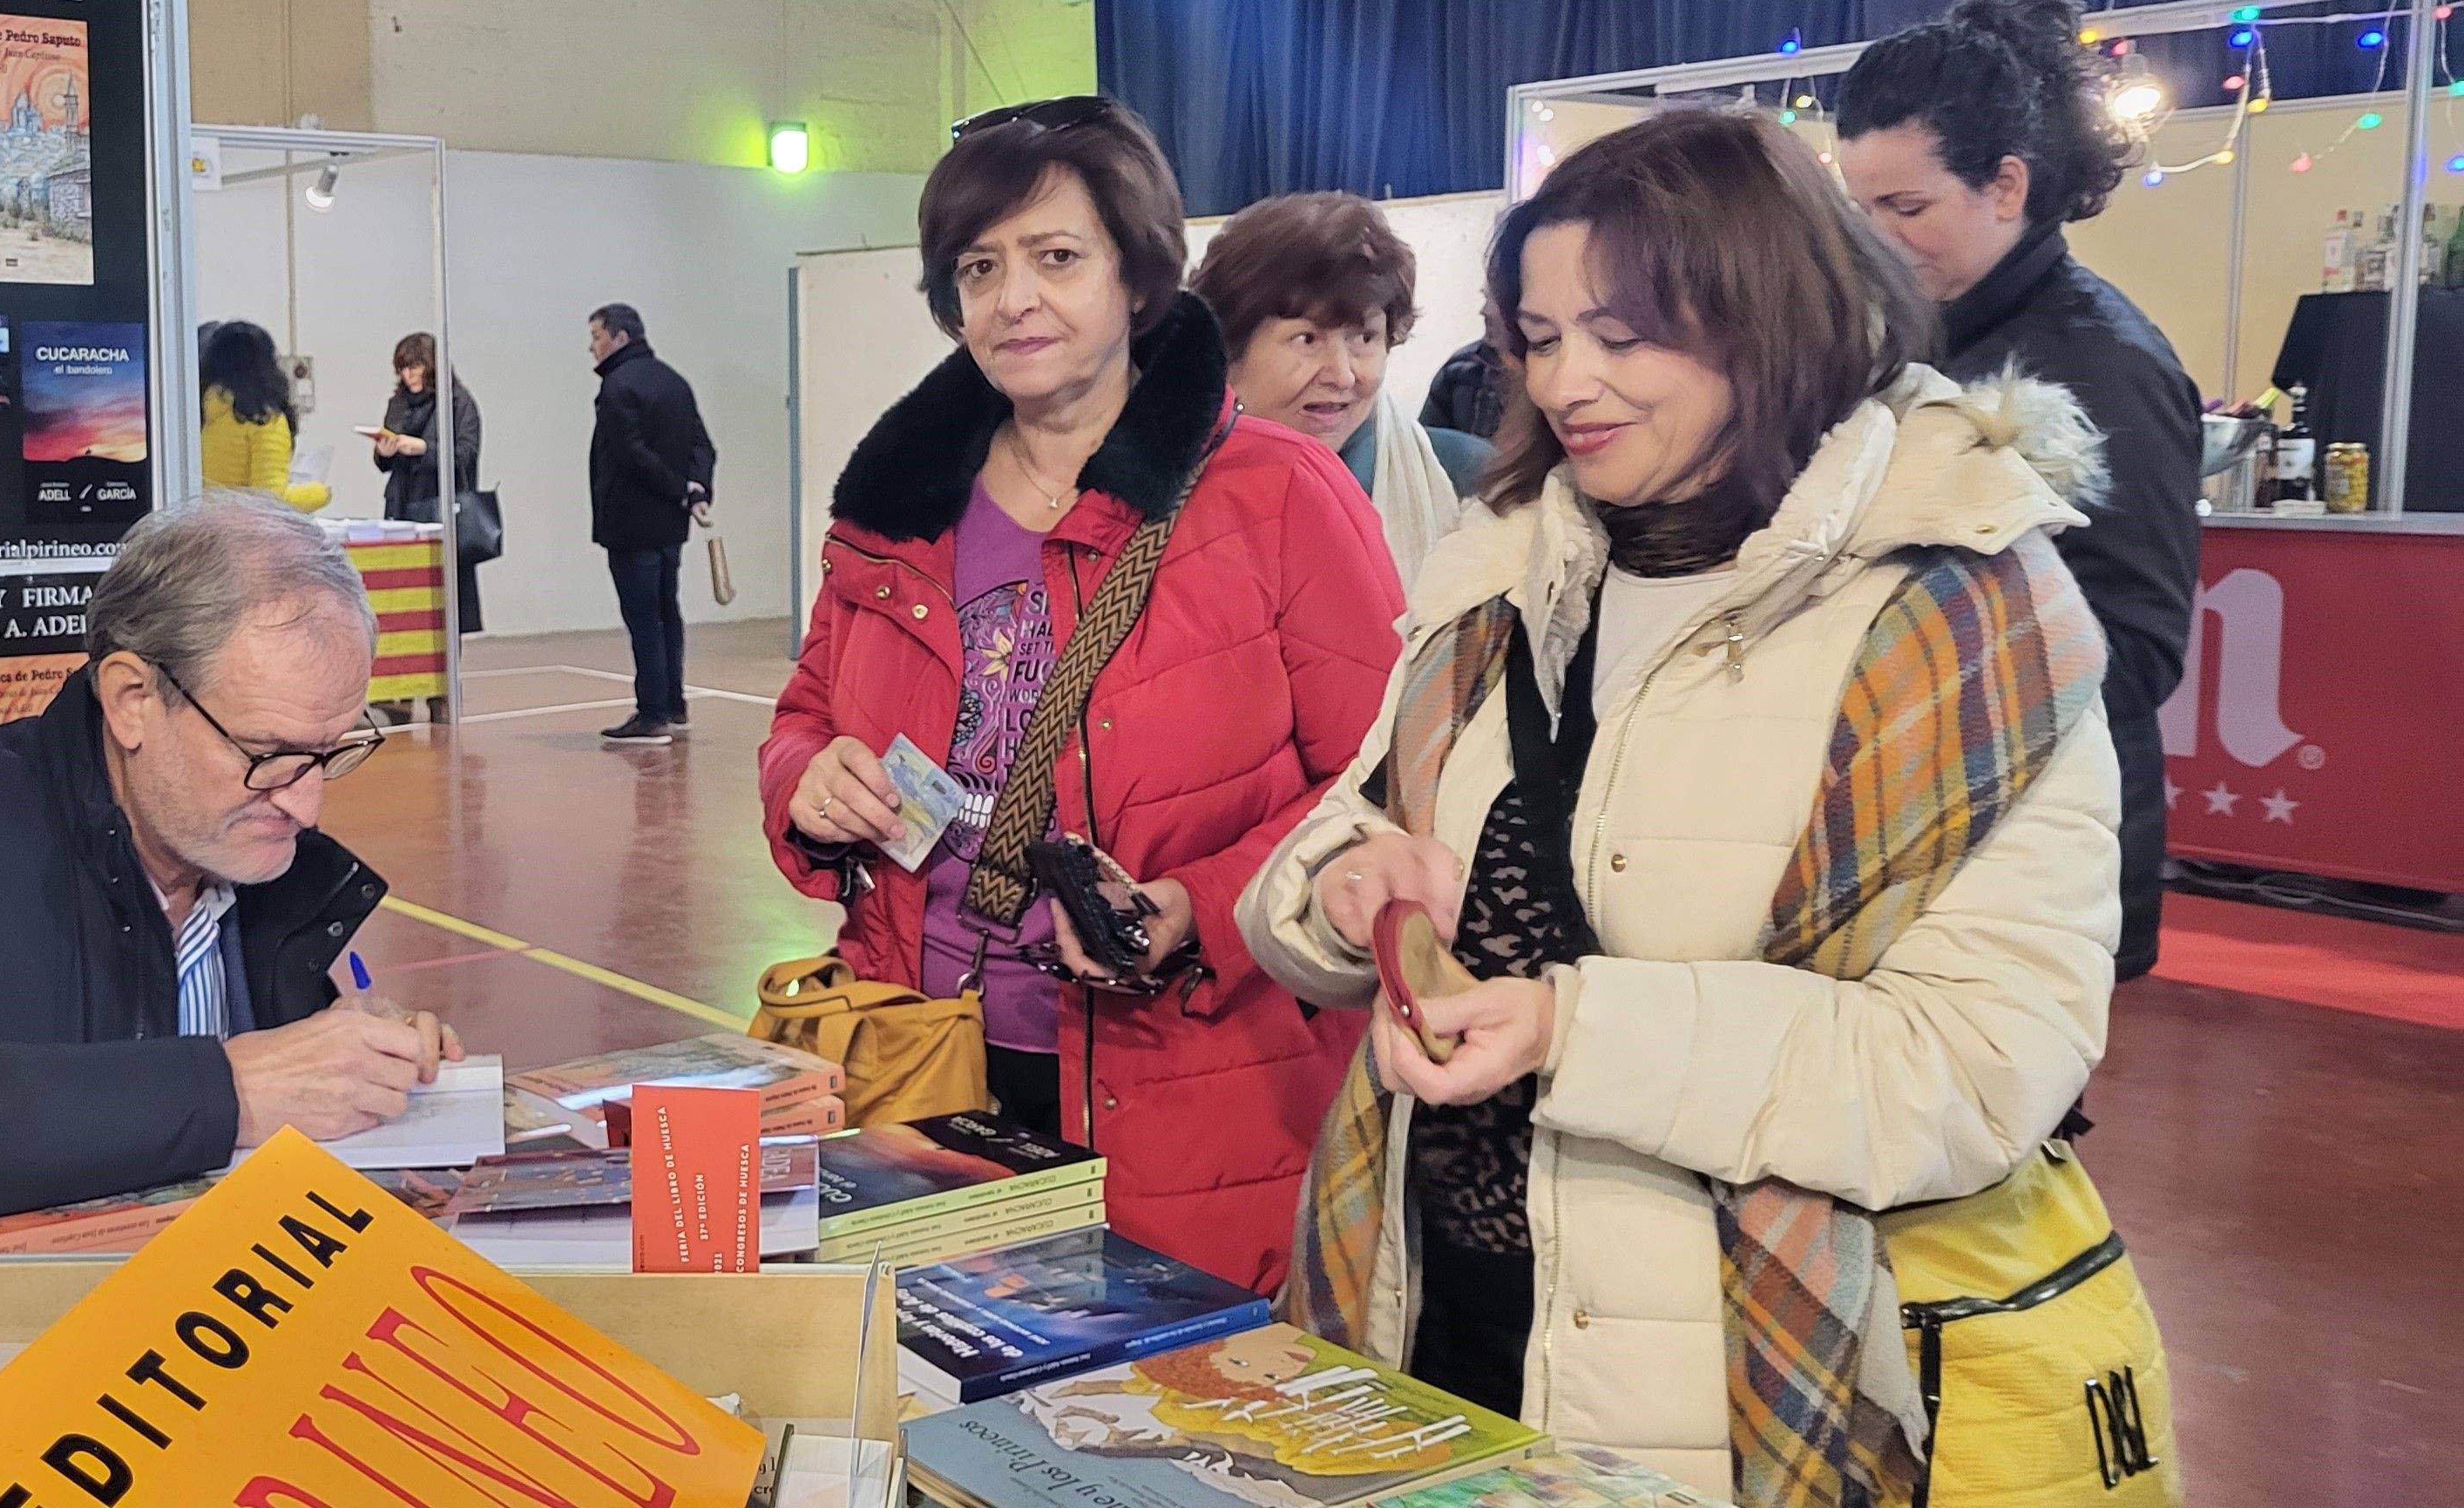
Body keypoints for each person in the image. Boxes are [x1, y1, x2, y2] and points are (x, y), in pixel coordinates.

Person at [1242, 110, 2172, 1500]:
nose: (1573, 382)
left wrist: (1577, 1027)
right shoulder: (1504, 566)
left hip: (1726, 1388)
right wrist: (1341, 889)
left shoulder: (1960, 615)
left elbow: (1980, 1070)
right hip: (1429, 1329)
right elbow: (1348, 827)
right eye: (1541, 337)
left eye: (1624, 334)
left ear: (1768, 311)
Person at [762, 96, 1404, 1294]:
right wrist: (807, 778)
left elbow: (1382, 779)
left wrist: (1194, 906)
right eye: (980, 266)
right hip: (926, 1053)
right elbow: (806, 709)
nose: (1014, 300)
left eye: (1058, 258)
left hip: (1192, 1075)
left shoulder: (1278, 493)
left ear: (1138, 276)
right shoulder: (902, 499)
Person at [0, 494, 463, 1300]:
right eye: (267, 753)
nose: (306, 807)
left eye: (331, 751)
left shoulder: (257, 860)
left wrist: (340, 1064)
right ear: (133, 700)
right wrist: (226, 1090)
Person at [1836, 0, 2202, 984]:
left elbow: (2135, 647)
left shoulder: (2103, 361)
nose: (1873, 237)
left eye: (1904, 207)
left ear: (2005, 184)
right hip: (1925, 823)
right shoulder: (1915, 332)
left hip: (2040, 851)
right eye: (1856, 208)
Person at [1188, 192, 1491, 582]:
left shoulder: (1467, 479)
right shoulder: (1160, 498)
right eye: (1307, 339)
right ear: (1228, 350)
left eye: (1364, 338)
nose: (1343, 375)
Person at [586, 302, 716, 745]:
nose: (592, 348)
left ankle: (652, 712)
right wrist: (695, 489)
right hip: (668, 525)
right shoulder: (673, 381)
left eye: (597, 337)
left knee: (643, 617)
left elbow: (630, 454)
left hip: (631, 523)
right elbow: (703, 444)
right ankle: (674, 703)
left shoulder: (618, 388)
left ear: (620, 338)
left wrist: (678, 488)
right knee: (666, 613)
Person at [369, 330, 485, 633]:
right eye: (403, 368)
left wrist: (421, 448)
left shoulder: (457, 403)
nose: (409, 375)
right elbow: (385, 463)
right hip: (403, 505)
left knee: (446, 605)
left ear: (432, 366)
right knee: (405, 599)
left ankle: (449, 677)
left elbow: (466, 454)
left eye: (416, 366)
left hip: (442, 507)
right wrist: (384, 451)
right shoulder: (398, 403)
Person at [200, 320, 330, 513]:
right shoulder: (263, 421)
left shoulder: (203, 415)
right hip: (241, 534)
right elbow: (268, 502)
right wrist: (319, 493)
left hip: (204, 530)